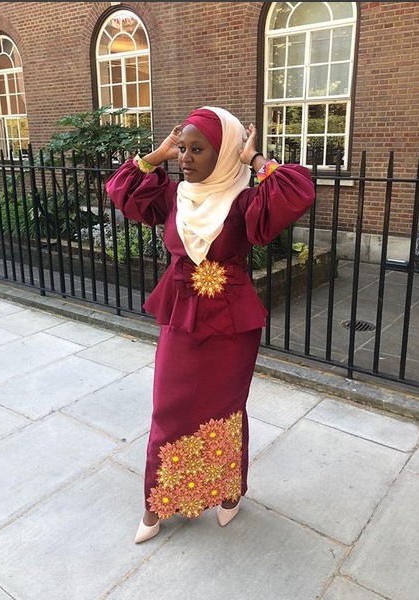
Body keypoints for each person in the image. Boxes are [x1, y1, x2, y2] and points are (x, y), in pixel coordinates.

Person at [105, 106, 315, 543]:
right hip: (181, 317)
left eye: (197, 150)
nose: (186, 158)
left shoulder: (245, 200)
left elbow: (297, 190)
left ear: (223, 154)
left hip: (231, 325)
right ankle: (158, 501)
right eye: (183, 148)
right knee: (169, 407)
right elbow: (122, 189)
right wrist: (157, 155)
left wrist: (255, 162)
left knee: (224, 410)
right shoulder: (172, 196)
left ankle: (228, 494)